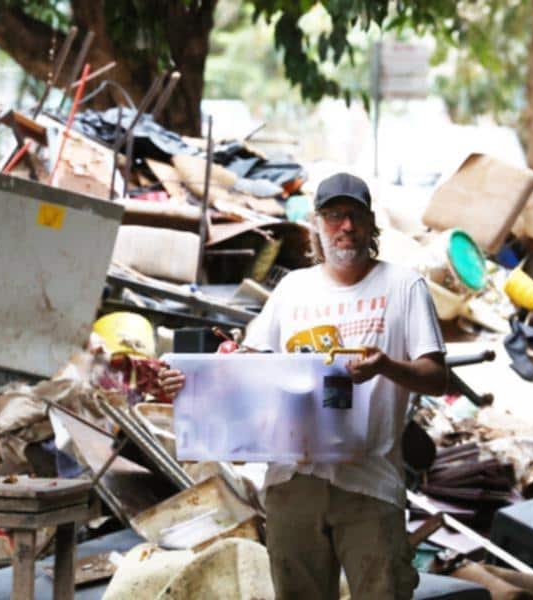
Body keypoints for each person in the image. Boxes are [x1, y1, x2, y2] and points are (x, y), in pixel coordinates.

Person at [161, 172, 446, 599]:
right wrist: (188, 381)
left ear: (370, 224)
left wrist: (386, 366)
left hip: (368, 482)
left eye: (355, 216)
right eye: (333, 216)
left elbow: (437, 377)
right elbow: (249, 368)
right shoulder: (293, 289)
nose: (345, 227)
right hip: (292, 481)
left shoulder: (403, 286)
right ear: (316, 225)